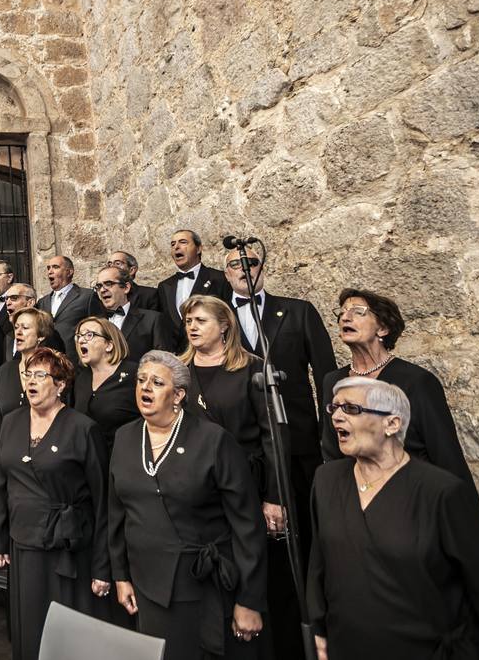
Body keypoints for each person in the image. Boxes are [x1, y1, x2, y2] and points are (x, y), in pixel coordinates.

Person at [309, 378, 479, 660]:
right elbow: (320, 560)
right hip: (347, 648)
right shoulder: (326, 480)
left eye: (351, 409)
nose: (336, 416)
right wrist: (318, 628)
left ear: (392, 424)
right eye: (334, 407)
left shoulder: (442, 493)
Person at [107, 351, 266, 660]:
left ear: (178, 394)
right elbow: (116, 512)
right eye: (141, 380)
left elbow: (247, 524)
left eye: (156, 382)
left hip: (200, 585)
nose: (145, 388)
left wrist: (250, 599)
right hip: (146, 584)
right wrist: (120, 575)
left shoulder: (214, 440)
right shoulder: (124, 437)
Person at [222, 245, 335, 657]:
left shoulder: (297, 311)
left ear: (262, 268)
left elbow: (325, 376)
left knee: (300, 541)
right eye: (235, 265)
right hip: (246, 449)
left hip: (299, 446)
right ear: (225, 272)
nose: (243, 270)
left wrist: (329, 441)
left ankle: (309, 630)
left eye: (250, 264)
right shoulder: (218, 319)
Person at [0, 347, 110, 660]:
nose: (31, 381)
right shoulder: (11, 422)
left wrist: (102, 566)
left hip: (67, 548)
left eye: (40, 375)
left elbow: (102, 501)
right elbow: (1, 485)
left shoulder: (83, 428)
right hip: (23, 543)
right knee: (29, 629)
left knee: (65, 637)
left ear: (60, 384)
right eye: (28, 374)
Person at [319, 289, 476, 493]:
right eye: (342, 313)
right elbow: (332, 455)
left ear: (383, 328)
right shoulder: (334, 381)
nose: (345, 317)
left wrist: (465, 514)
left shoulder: (417, 381)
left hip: (412, 498)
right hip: (357, 500)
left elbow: (446, 454)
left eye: (358, 311)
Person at [179, 296, 283, 534]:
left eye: (201, 321)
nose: (192, 327)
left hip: (244, 482)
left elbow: (273, 435)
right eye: (188, 321)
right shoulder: (179, 370)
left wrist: (275, 496)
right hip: (193, 485)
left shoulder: (252, 367)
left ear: (224, 324)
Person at [71, 316, 139, 456]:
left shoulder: (135, 374)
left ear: (109, 345)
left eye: (89, 335)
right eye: (78, 336)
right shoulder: (81, 378)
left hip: (124, 458)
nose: (81, 340)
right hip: (88, 461)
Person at [155, 230, 229, 349]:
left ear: (199, 249)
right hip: (176, 357)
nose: (176, 247)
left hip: (211, 353)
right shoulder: (164, 286)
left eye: (183, 242)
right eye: (173, 244)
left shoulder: (219, 278)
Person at [94, 262, 175, 364]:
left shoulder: (152, 320)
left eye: (108, 284)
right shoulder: (95, 324)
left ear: (126, 288)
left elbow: (164, 362)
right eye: (98, 286)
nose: (102, 290)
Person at [0, 307, 66, 422]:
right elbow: (0, 419)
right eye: (16, 327)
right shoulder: (4, 371)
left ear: (41, 336)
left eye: (25, 328)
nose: (18, 332)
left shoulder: (53, 369)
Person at [36, 255, 100, 349]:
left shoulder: (87, 296)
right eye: (48, 268)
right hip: (49, 359)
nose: (50, 271)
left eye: (55, 267)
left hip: (75, 359)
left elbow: (99, 328)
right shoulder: (42, 302)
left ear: (69, 272)